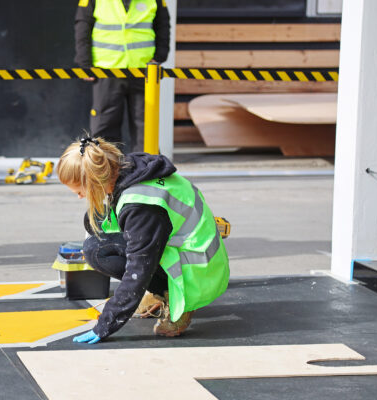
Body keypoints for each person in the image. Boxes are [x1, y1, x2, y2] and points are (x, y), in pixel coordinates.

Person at [57, 137, 230, 343]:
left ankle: (177, 300)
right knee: (96, 246)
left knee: (100, 252)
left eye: (80, 191)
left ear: (95, 182)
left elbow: (138, 269)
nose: (79, 197)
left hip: (196, 274)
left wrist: (106, 324)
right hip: (189, 253)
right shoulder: (128, 166)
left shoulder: (142, 208)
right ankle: (159, 289)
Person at [74, 0, 170, 152]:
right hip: (107, 70)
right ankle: (107, 171)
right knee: (105, 125)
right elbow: (83, 25)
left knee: (146, 127)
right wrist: (85, 63)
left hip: (143, 71)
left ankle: (147, 172)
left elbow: (163, 25)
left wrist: (159, 56)